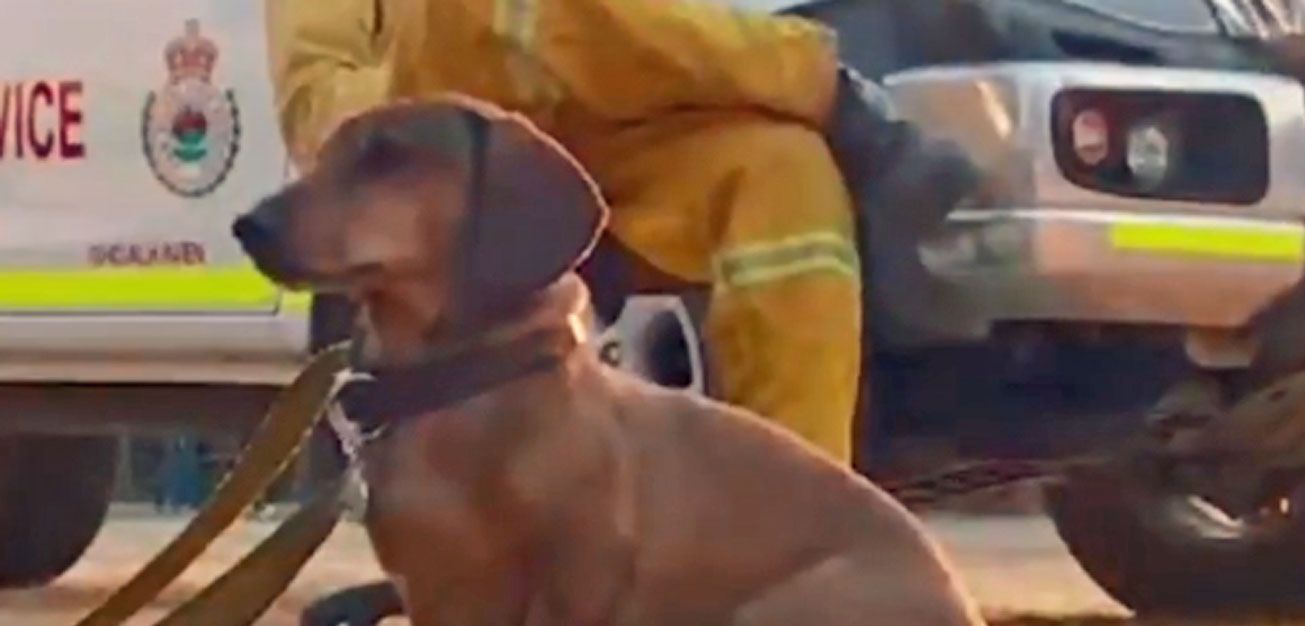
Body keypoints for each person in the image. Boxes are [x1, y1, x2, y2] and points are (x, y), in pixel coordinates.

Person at [265, 0, 985, 466]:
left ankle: (802, 517)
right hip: (476, 171)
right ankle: (832, 92)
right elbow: (317, 115)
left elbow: (644, 38)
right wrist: (453, 88)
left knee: (782, 169)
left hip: (614, 138)